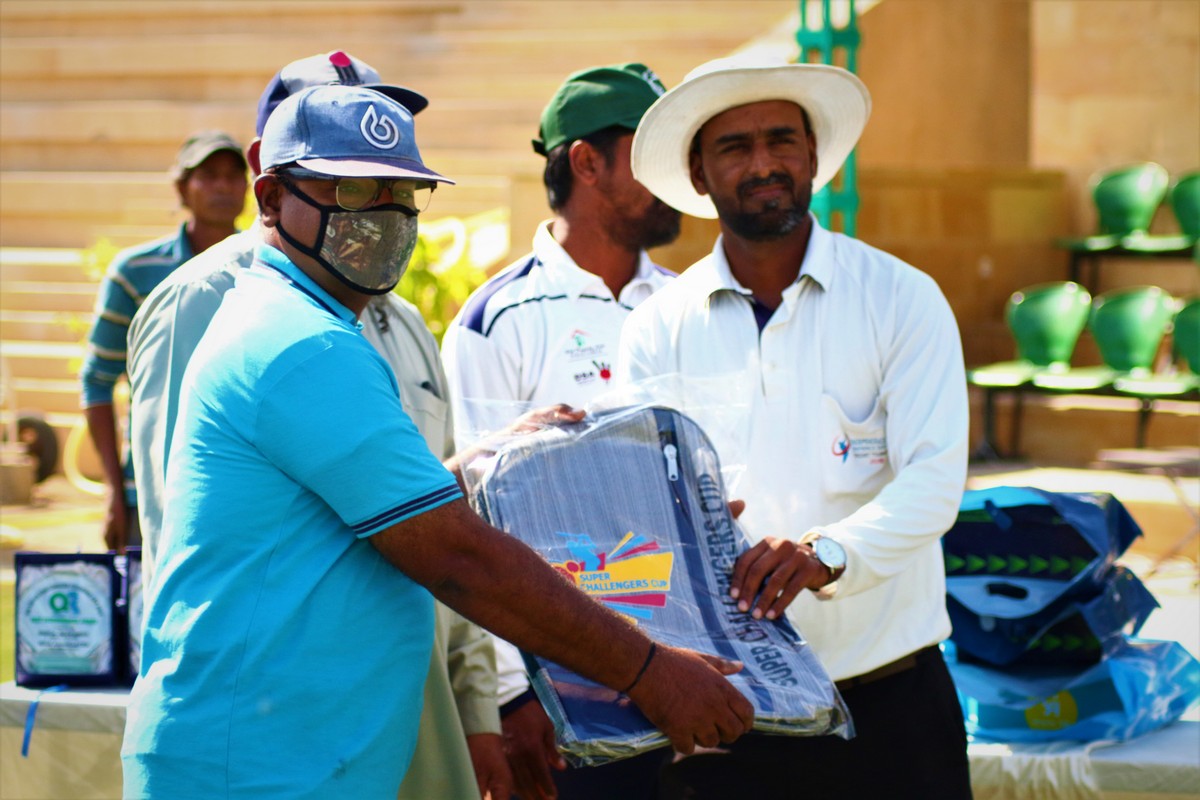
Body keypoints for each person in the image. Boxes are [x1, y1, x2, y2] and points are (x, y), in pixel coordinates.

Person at [121, 84, 753, 800]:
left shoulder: (309, 323)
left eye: (403, 193)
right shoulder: (301, 344)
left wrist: (507, 471)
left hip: (291, 751)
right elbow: (457, 556)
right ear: (270, 198)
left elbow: (362, 518)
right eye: (353, 190)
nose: (385, 216)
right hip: (253, 763)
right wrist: (648, 670)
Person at [125, 50, 508, 800]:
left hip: (399, 697)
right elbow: (187, 531)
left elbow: (431, 500)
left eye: (390, 174)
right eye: (347, 176)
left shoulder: (398, 319)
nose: (375, 197)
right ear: (270, 177)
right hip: (275, 716)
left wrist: (478, 706)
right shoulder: (205, 298)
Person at [618, 55, 973, 799]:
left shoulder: (901, 298)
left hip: (891, 702)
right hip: (732, 709)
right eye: (734, 147)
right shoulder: (656, 327)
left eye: (781, 140)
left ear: (814, 155)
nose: (763, 165)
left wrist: (825, 554)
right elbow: (644, 511)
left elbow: (935, 480)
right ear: (699, 173)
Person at [440, 64, 681, 799]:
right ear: (586, 162)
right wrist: (511, 693)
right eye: (649, 152)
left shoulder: (686, 305)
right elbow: (472, 522)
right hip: (557, 695)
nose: (673, 176)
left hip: (685, 675)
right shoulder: (494, 320)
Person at [80, 130, 247, 552]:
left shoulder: (269, 267)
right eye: (209, 175)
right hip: (153, 490)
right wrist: (114, 491)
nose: (223, 186)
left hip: (245, 488)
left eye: (233, 175)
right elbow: (97, 381)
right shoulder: (135, 272)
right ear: (182, 188)